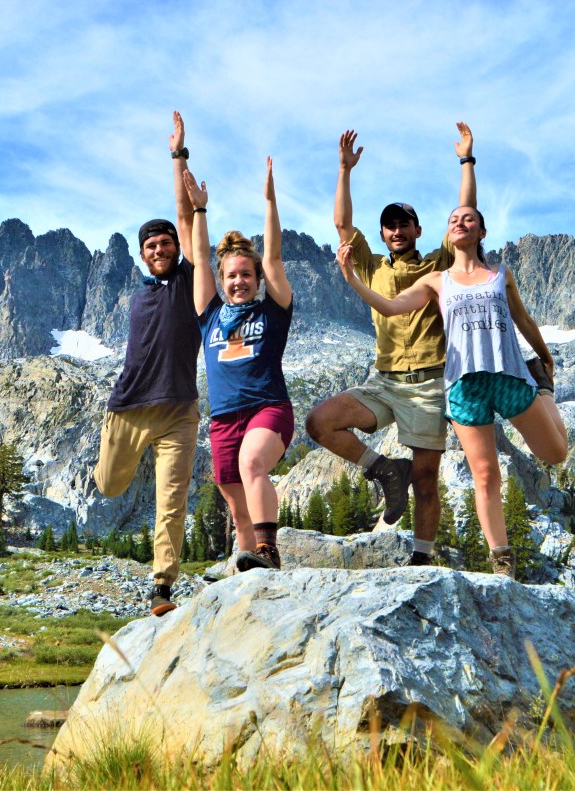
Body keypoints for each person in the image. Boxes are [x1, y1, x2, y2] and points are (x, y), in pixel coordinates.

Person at [337, 201, 569, 579]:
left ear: (481, 231)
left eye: (468, 218)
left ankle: (544, 392)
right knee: (485, 474)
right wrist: (352, 279)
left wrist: (544, 357)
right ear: (448, 232)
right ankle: (502, 562)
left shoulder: (500, 274)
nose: (460, 222)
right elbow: (392, 308)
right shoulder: (436, 280)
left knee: (555, 453)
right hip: (464, 386)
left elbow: (523, 318)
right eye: (454, 219)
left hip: (510, 376)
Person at [305, 124, 477, 566]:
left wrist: (466, 161)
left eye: (403, 224)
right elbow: (342, 224)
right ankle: (383, 469)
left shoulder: (439, 263)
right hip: (383, 382)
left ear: (418, 229)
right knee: (320, 422)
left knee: (426, 479)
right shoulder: (372, 265)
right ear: (382, 234)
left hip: (428, 383)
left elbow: (466, 215)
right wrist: (344, 169)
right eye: (389, 225)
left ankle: (421, 558)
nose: (396, 230)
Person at [92, 111, 200, 616]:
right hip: (129, 407)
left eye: (165, 244)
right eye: (151, 246)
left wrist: (178, 155)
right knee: (110, 485)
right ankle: (114, 458)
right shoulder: (139, 294)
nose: (159, 249)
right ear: (142, 255)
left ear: (176, 249)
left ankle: (162, 588)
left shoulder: (187, 281)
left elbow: (184, 215)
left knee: (170, 501)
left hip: (178, 410)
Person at [182, 154, 293, 571]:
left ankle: (268, 551)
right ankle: (246, 576)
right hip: (224, 419)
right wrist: (200, 210)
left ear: (257, 279)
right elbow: (199, 259)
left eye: (246, 274)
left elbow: (274, 257)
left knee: (252, 463)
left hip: (268, 408)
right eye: (231, 275)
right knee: (237, 508)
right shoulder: (210, 314)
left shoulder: (273, 312)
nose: (239, 281)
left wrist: (270, 201)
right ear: (222, 280)